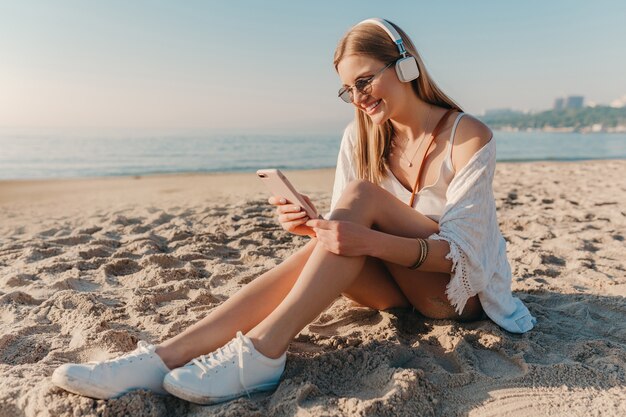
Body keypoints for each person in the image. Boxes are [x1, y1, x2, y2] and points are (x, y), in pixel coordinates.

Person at [51, 17, 535, 405]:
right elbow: (347, 240)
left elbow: (461, 257)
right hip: (393, 289)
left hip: (457, 296)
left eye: (365, 81)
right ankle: (164, 357)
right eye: (350, 90)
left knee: (363, 197)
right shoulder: (360, 136)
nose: (360, 99)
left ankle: (262, 352)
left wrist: (365, 239)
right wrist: (314, 228)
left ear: (406, 66)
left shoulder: (468, 135)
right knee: (342, 220)